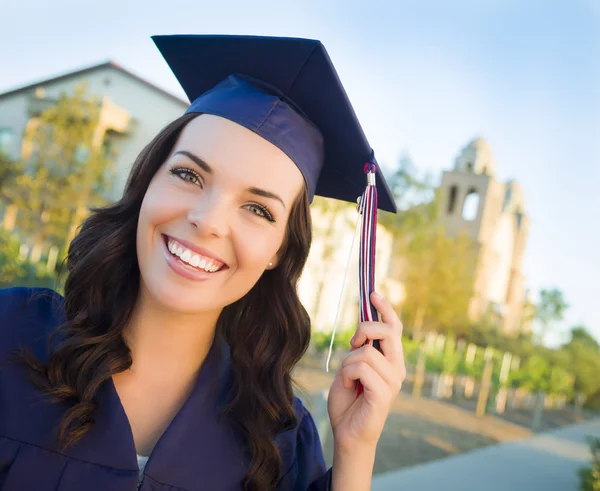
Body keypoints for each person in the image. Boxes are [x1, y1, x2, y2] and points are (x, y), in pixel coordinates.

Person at [0, 35, 406, 490]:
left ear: (279, 251)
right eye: (189, 175)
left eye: (258, 209)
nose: (208, 221)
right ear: (147, 182)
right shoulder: (10, 334)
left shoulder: (279, 441)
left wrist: (355, 450)